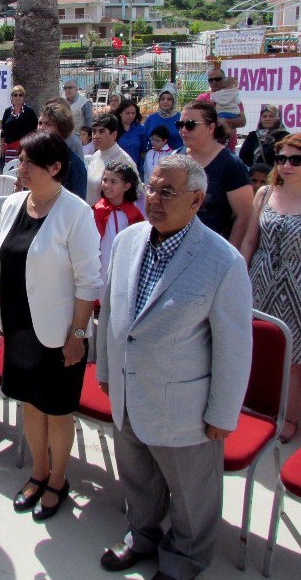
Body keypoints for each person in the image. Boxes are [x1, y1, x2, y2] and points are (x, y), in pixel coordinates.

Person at [95, 154, 252, 578]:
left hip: (183, 406)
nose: (155, 199)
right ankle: (141, 535)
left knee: (190, 497)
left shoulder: (223, 262)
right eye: (151, 188)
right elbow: (111, 311)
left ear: (197, 199)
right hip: (129, 394)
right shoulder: (129, 240)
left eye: (168, 192)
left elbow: (234, 347)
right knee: (138, 480)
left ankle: (186, 558)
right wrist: (105, 370)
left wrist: (223, 413)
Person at [0, 130, 102, 521]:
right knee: (31, 405)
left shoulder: (76, 212)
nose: (22, 168)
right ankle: (38, 472)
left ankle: (58, 479)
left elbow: (89, 281)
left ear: (55, 168)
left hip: (58, 332)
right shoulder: (16, 202)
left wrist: (78, 334)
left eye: (29, 162)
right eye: (20, 160)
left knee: (57, 409)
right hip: (18, 325)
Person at [240, 134, 301, 442]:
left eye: (295, 160)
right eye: (281, 159)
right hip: (260, 280)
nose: (286, 165)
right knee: (256, 347)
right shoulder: (265, 194)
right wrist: (238, 280)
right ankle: (254, 405)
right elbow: (249, 240)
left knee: (297, 357)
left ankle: (290, 417)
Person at [178, 101, 252, 248]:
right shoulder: (175, 157)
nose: (183, 130)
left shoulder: (231, 165)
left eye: (190, 124)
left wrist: (230, 254)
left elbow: (244, 215)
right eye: (180, 125)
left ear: (211, 127)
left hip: (212, 250)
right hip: (175, 247)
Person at [94, 161, 143, 285]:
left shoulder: (133, 212)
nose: (106, 185)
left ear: (126, 186)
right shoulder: (97, 210)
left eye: (113, 182)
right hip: (101, 264)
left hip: (125, 264)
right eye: (105, 180)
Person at [37, 100, 87, 200]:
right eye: (40, 123)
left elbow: (78, 204)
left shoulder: (74, 164)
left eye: (48, 124)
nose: (41, 127)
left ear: (61, 129)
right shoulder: (34, 157)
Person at [86, 114, 135, 206]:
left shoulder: (124, 160)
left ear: (114, 134)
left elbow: (137, 194)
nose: (96, 136)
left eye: (101, 131)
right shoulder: (95, 156)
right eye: (94, 131)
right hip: (92, 214)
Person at [196, 68, 245, 150]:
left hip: (227, 146)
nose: (214, 82)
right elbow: (197, 121)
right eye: (211, 80)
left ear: (224, 80)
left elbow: (242, 122)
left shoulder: (233, 98)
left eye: (217, 79)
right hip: (206, 146)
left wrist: (220, 121)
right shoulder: (202, 99)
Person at [0, 85, 37, 167]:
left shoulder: (29, 111)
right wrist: (2, 148)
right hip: (9, 150)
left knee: (23, 171)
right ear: (12, 97)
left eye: (20, 95)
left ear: (23, 97)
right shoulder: (7, 111)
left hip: (25, 149)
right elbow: (3, 131)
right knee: (10, 172)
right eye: (15, 95)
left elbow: (35, 131)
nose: (18, 97)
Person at [142, 83, 183, 152]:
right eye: (162, 99)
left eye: (169, 99)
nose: (165, 102)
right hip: (153, 159)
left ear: (174, 101)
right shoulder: (151, 118)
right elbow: (144, 139)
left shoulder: (180, 118)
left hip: (175, 158)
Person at [114, 98, 145, 175]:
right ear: (120, 113)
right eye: (127, 113)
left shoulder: (140, 129)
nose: (130, 116)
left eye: (133, 113)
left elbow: (143, 151)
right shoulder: (113, 129)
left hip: (135, 171)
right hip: (116, 171)